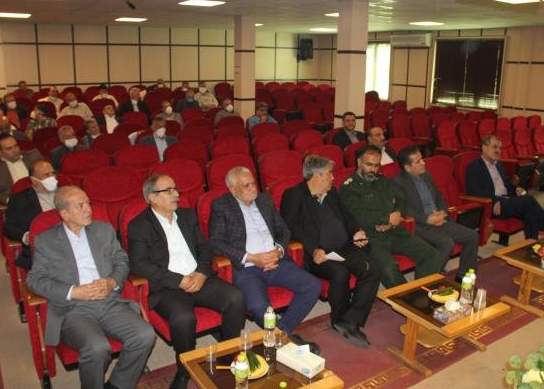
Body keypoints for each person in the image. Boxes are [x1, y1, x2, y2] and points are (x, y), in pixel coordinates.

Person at [26, 186, 156, 389]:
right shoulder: (47, 240)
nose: (88, 209)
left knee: (145, 335)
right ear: (65, 214)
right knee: (97, 348)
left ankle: (118, 385)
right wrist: (73, 291)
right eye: (80, 205)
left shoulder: (103, 230)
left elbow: (121, 260)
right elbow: (35, 279)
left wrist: (111, 282)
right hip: (73, 310)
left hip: (109, 301)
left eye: (88, 203)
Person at [128, 174, 246, 389]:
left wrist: (201, 273)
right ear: (152, 197)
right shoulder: (139, 225)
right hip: (168, 287)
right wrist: (178, 280)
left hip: (199, 278)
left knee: (236, 297)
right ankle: (184, 371)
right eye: (168, 190)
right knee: (183, 318)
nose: (176, 194)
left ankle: (228, 356)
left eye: (175, 189)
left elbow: (205, 248)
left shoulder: (187, 215)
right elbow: (139, 264)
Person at [209, 167, 322, 353]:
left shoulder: (264, 200)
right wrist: (251, 257)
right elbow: (215, 242)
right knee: (258, 306)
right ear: (233, 189)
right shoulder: (221, 206)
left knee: (313, 286)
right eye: (246, 185)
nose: (253, 188)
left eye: (253, 183)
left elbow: (283, 230)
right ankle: (285, 339)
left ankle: (281, 334)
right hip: (247, 268)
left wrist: (278, 250)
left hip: (277, 261)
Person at [281, 156, 381, 348]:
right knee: (339, 273)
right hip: (317, 255)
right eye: (329, 174)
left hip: (343, 248)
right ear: (317, 176)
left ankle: (350, 320)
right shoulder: (294, 195)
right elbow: (290, 228)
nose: (333, 178)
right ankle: (338, 318)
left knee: (373, 267)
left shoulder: (331, 192)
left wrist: (356, 231)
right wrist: (313, 249)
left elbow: (347, 216)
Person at [339, 145, 442, 288]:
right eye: (369, 164)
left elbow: (400, 201)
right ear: (359, 162)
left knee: (431, 254)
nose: (373, 169)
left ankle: (422, 290)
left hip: (394, 231)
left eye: (377, 165)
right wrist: (386, 219)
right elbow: (356, 215)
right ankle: (406, 297)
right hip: (371, 237)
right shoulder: (349, 187)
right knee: (388, 268)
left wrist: (396, 215)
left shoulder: (382, 180)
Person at [392, 146, 479, 282]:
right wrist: (427, 219)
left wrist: (442, 213)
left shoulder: (426, 175)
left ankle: (464, 276)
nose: (423, 163)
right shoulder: (398, 182)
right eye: (418, 162)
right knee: (446, 243)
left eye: (422, 159)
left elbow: (439, 196)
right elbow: (404, 210)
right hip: (419, 225)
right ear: (408, 167)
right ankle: (426, 281)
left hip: (438, 219)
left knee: (472, 236)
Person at [466, 135, 544, 240]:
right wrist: (497, 200)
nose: (498, 151)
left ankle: (531, 241)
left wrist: (516, 189)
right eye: (495, 147)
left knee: (530, 212)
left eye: (500, 148)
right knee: (528, 200)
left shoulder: (498, 164)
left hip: (507, 200)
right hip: (493, 205)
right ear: (484, 148)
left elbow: (507, 184)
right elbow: (474, 192)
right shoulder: (474, 167)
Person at [3, 160, 58, 269]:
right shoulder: (19, 200)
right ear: (34, 180)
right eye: (46, 175)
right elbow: (9, 227)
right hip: (41, 249)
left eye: (53, 173)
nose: (52, 177)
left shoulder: (68, 192)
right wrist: (26, 236)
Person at [0, 133, 43, 204]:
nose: (15, 150)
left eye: (16, 146)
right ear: (0, 152)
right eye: (9, 148)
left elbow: (48, 177)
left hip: (40, 196)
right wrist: (11, 201)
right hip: (16, 201)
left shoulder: (33, 156)